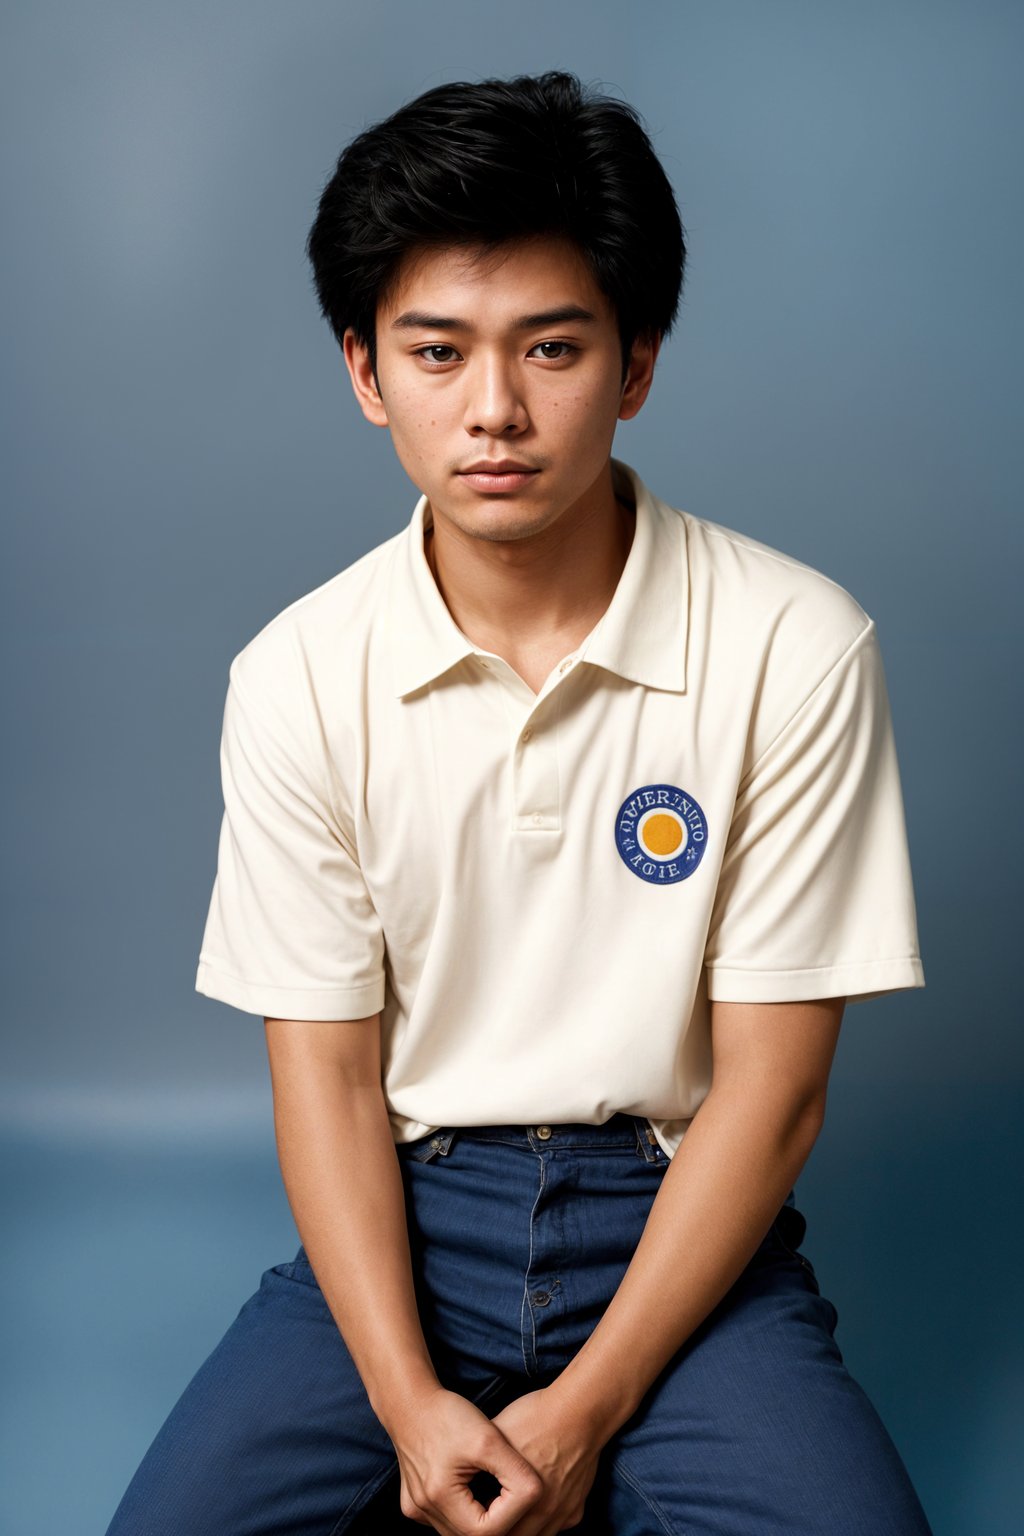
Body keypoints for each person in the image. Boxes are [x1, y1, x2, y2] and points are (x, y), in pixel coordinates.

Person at [105, 70, 934, 1536]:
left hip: (682, 1228)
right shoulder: (300, 673)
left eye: (553, 348)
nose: (494, 411)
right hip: (407, 1223)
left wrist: (588, 1408)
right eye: (437, 352)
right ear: (365, 372)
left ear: (635, 365)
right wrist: (410, 1400)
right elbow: (328, 1082)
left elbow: (775, 1089)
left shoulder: (796, 642)